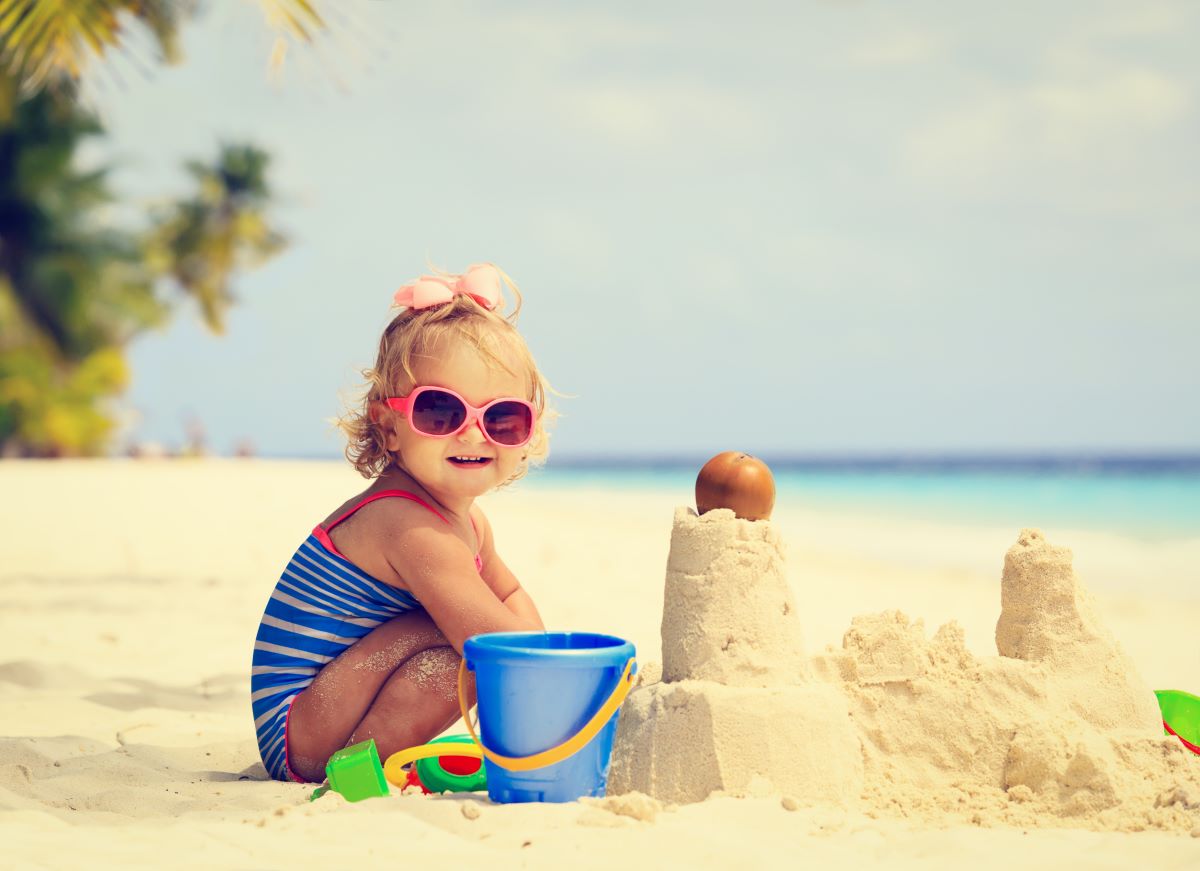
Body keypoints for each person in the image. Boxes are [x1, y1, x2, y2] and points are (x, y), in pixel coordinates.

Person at [251, 263, 549, 783]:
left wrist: (537, 657)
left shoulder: (469, 523)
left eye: (501, 418)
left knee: (469, 644)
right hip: (299, 725)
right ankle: (356, 768)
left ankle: (374, 759)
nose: (474, 436)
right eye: (441, 413)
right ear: (389, 427)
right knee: (469, 650)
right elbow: (496, 644)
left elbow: (512, 596)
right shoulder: (407, 526)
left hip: (336, 698)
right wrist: (548, 684)